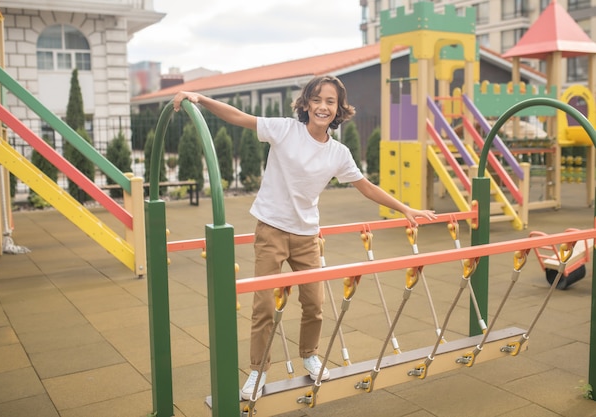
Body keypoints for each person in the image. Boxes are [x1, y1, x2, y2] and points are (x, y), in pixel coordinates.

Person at [173, 75, 437, 401]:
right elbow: (239, 117)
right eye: (317, 99)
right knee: (264, 305)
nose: (323, 107)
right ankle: (258, 369)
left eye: (330, 102)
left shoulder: (338, 153)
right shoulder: (285, 130)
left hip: (307, 235)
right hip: (271, 229)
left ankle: (309, 354)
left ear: (339, 109)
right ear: (307, 104)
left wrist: (404, 208)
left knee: (315, 304)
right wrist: (200, 98)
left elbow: (366, 186)